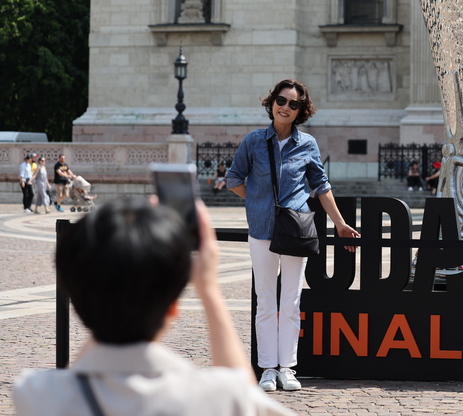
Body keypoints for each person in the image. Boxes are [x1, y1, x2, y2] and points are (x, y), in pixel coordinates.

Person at [13, 196, 296, 416]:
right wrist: (208, 289)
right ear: (174, 307)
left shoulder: (36, 394)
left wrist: (97, 293)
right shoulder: (214, 396)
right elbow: (248, 400)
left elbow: (91, 315)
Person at [226, 79, 359, 392]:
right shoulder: (254, 141)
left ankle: (287, 367)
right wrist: (257, 202)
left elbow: (321, 185)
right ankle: (268, 369)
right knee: (265, 303)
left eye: (293, 104)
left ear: (301, 111)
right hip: (261, 232)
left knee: (291, 301)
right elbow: (234, 178)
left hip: (296, 230)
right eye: (281, 101)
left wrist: (339, 223)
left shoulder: (307, 144)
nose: (285, 107)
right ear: (272, 103)